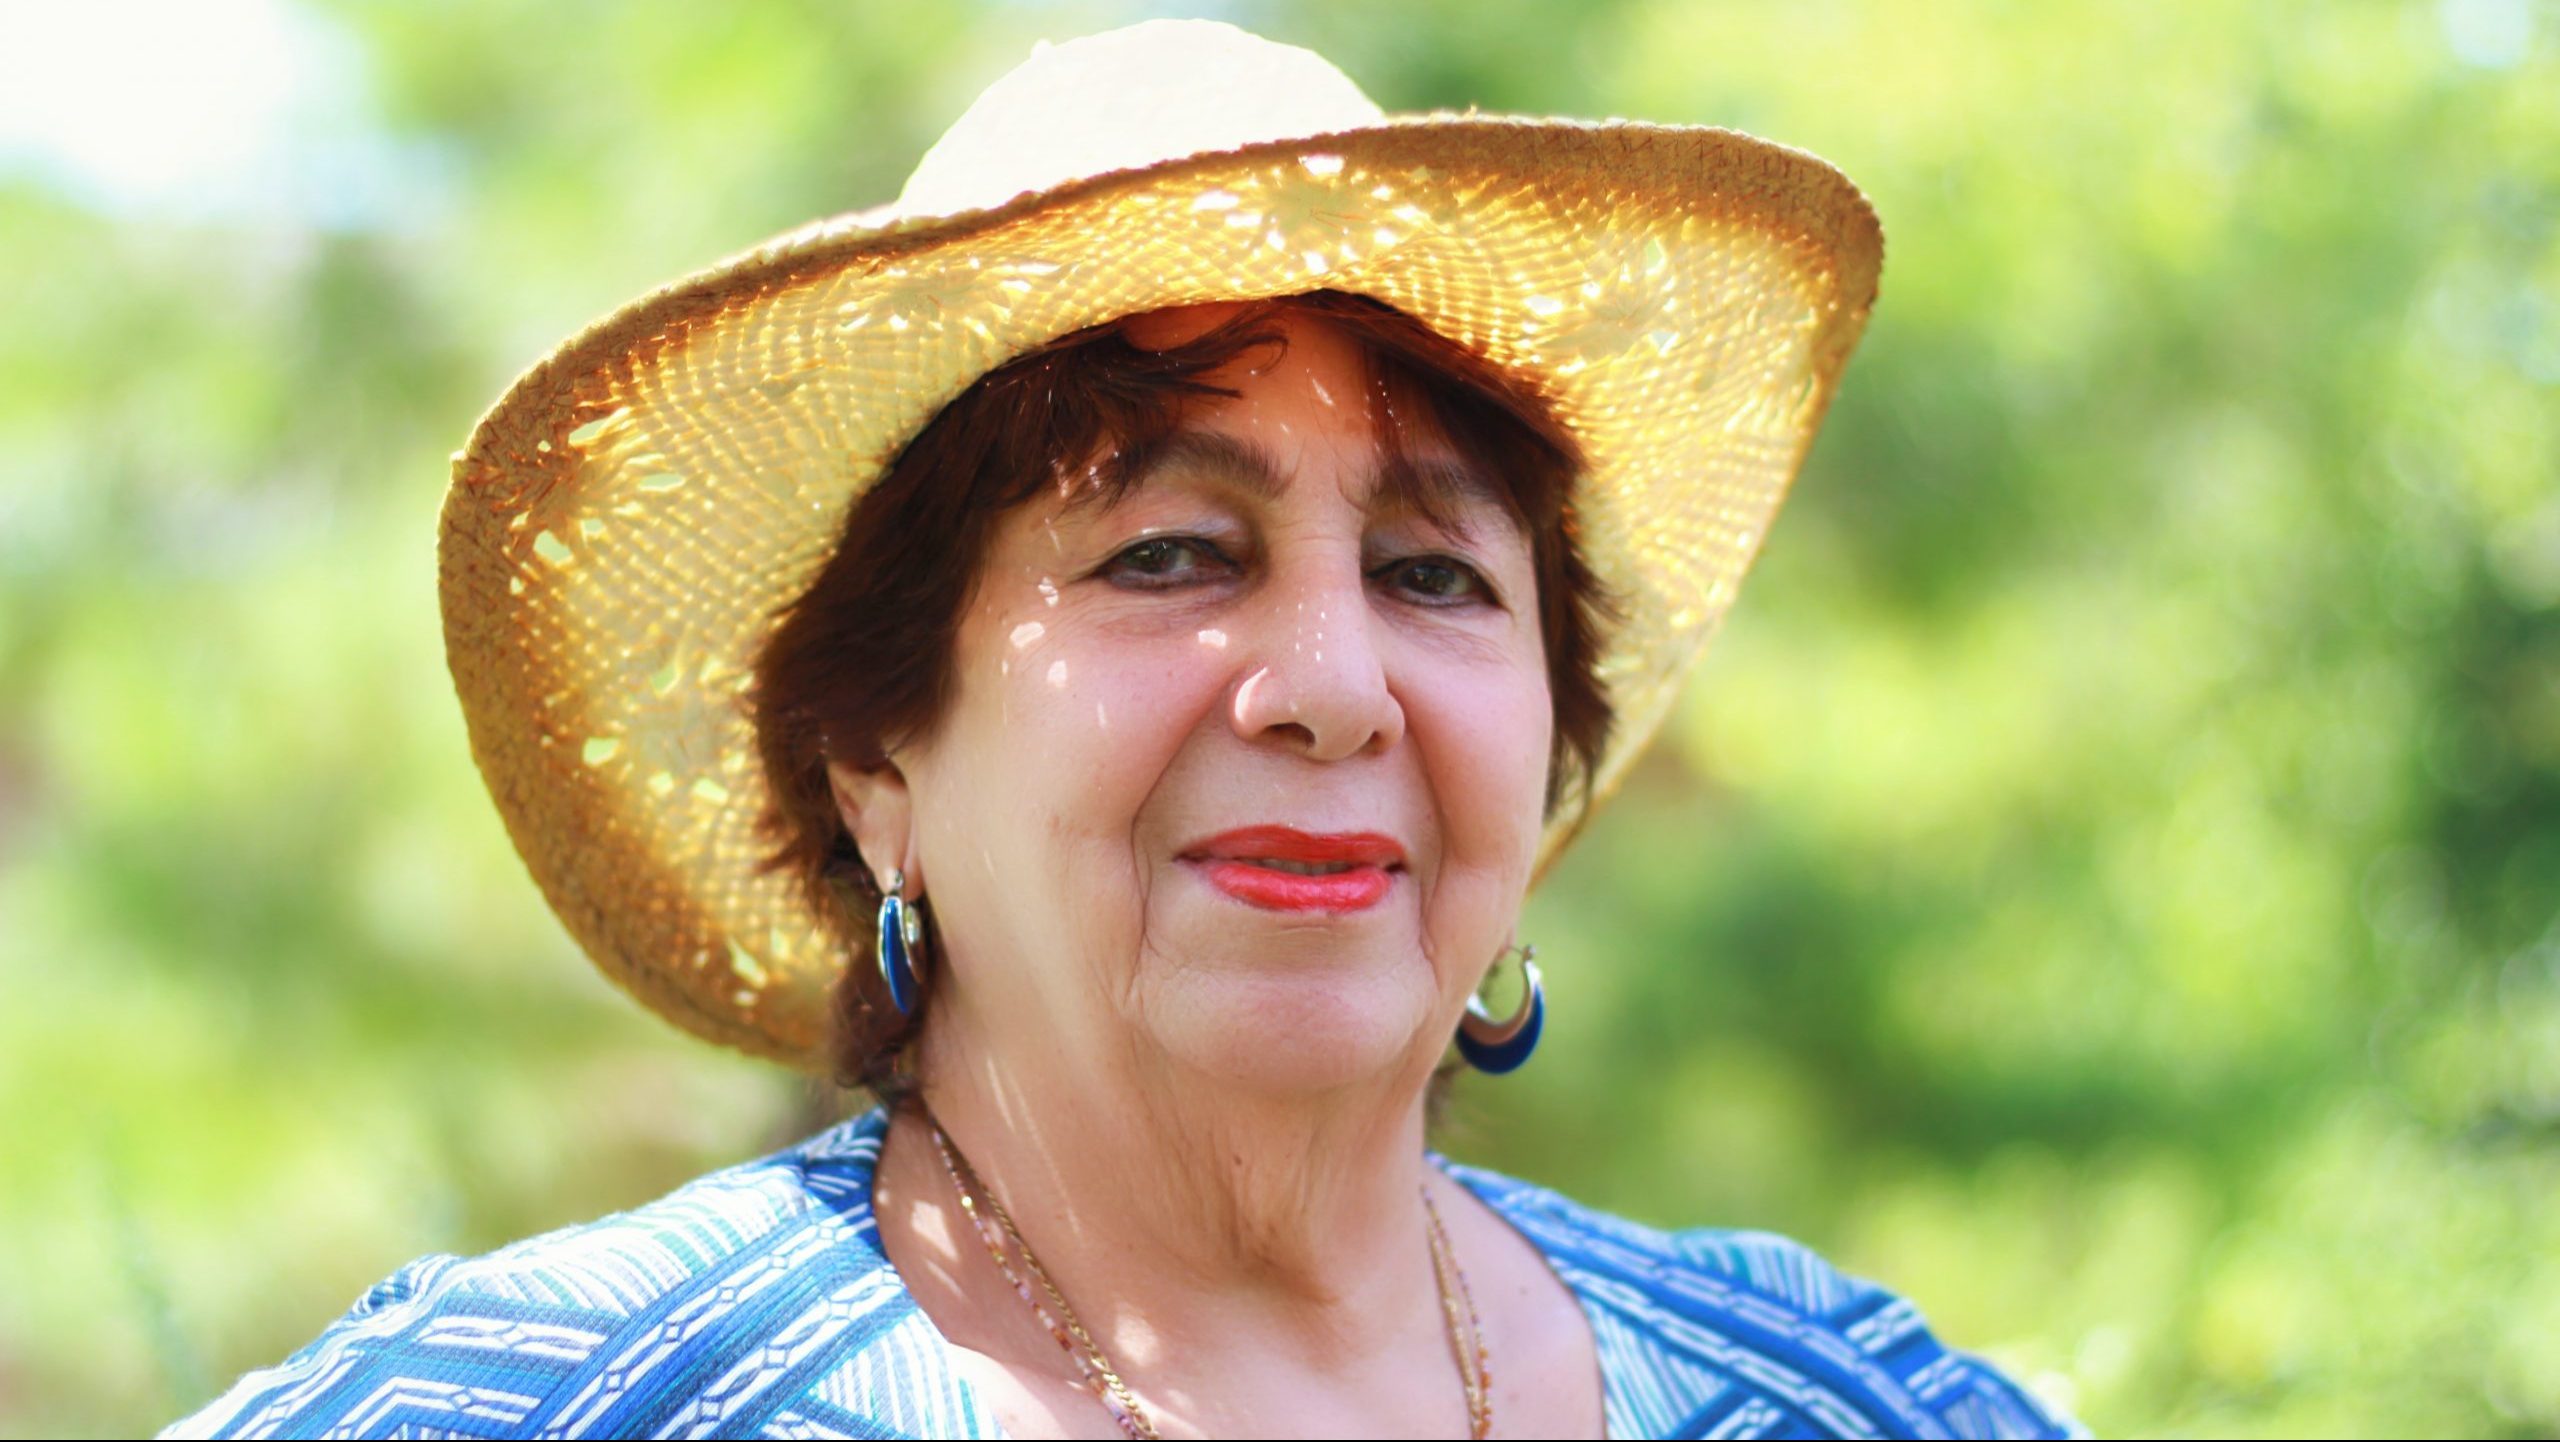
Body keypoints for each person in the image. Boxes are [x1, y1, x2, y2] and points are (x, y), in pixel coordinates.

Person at [165, 20, 2082, 1441]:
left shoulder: (1860, 1401)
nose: (1332, 686)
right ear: (879, 762)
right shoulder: (547, 1404)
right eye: (1171, 551)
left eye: (1432, 575)